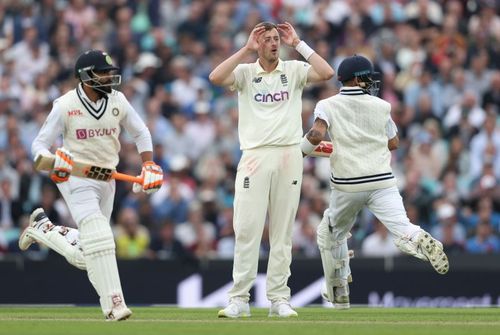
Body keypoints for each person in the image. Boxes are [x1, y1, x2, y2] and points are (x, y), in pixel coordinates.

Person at [17, 50, 163, 321]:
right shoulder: (65, 105)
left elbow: (141, 132)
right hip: (75, 176)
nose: (109, 76)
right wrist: (52, 160)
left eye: (110, 71)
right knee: (103, 239)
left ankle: (44, 229)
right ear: (86, 76)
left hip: (107, 178)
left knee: (91, 253)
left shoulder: (118, 100)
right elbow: (38, 147)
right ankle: (114, 305)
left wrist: (148, 164)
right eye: (103, 72)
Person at [301, 54, 449, 310]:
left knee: (331, 234)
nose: (371, 82)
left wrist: (299, 151)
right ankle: (419, 237)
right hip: (382, 180)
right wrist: (364, 142)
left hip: (348, 185)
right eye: (367, 77)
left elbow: (315, 135)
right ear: (358, 78)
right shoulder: (381, 106)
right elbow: (394, 143)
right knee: (403, 226)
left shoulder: (328, 104)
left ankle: (339, 291)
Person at [209, 21, 334, 318]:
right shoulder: (245, 73)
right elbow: (215, 77)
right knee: (248, 229)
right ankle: (240, 298)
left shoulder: (292, 70)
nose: (273, 43)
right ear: (257, 43)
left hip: (289, 155)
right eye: (267, 39)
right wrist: (246, 48)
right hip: (254, 156)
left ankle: (279, 299)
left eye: (276, 38)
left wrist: (299, 43)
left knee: (282, 233)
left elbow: (327, 72)